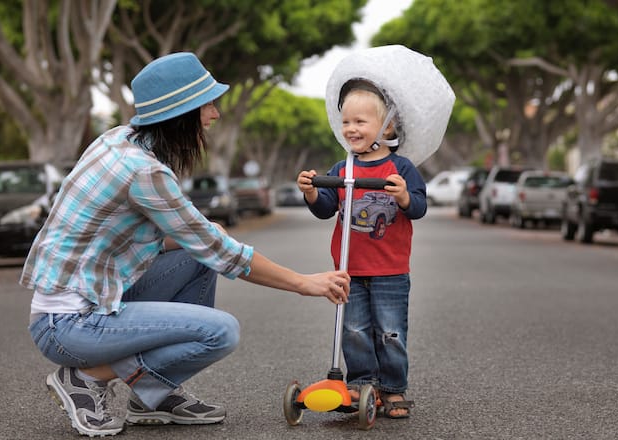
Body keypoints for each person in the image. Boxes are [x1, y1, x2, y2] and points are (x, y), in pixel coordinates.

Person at [21, 52, 349, 437]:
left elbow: (177, 240)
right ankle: (86, 379)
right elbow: (223, 252)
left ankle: (152, 395)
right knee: (220, 331)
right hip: (70, 326)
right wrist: (304, 283)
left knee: (200, 256)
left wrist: (203, 235)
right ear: (182, 112)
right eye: (207, 104)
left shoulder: (119, 140)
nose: (215, 114)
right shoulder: (144, 172)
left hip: (83, 301)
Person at [296, 79, 425, 418]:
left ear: (386, 126)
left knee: (390, 332)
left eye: (360, 122)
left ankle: (393, 388)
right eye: (346, 122)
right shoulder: (343, 169)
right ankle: (360, 382)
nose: (351, 129)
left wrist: (404, 197)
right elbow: (325, 207)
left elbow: (419, 207)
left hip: (390, 269)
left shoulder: (401, 169)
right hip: (349, 268)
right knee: (353, 330)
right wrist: (312, 192)